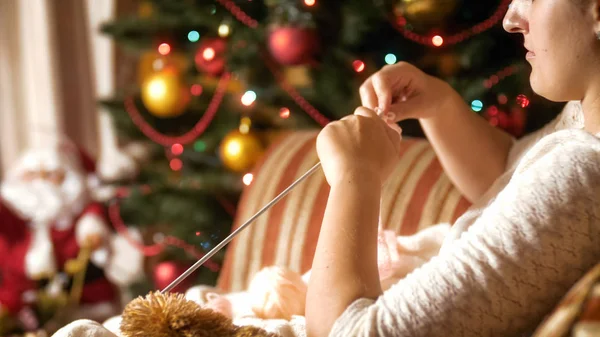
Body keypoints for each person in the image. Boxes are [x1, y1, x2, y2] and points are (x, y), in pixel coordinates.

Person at [306, 0, 600, 336]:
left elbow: (345, 332)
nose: (511, 20)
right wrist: (440, 105)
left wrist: (354, 176)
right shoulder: (583, 124)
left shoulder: (585, 172)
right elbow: (513, 181)